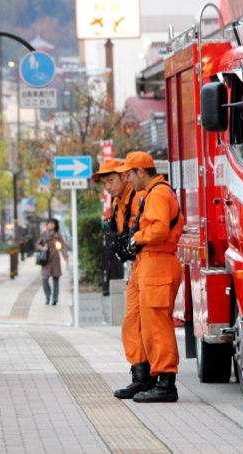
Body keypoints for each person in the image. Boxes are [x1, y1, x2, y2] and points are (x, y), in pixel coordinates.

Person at [113, 151, 184, 403]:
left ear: (140, 172)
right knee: (136, 322)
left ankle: (165, 383)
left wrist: (136, 237)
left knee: (156, 324)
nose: (127, 179)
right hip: (146, 263)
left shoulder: (158, 193)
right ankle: (144, 377)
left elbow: (159, 229)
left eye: (129, 174)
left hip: (158, 262)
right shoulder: (152, 193)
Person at [92, 159, 151, 396]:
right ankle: (141, 376)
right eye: (104, 182)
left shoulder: (139, 197)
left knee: (149, 324)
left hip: (149, 263)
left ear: (125, 176)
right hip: (138, 267)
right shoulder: (118, 203)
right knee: (132, 323)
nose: (107, 186)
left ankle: (154, 378)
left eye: (111, 180)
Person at [38, 218, 69, 306]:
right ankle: (48, 296)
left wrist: (65, 257)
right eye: (49, 224)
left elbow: (62, 246)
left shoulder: (58, 235)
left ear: (55, 225)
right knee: (45, 279)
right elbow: (38, 243)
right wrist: (42, 247)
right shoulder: (44, 234)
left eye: (52, 224)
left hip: (55, 257)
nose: (50, 225)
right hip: (46, 258)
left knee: (56, 279)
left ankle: (55, 299)